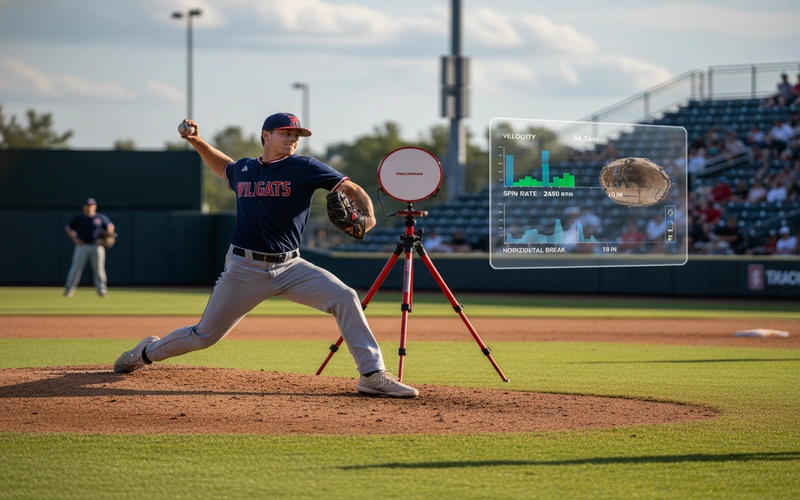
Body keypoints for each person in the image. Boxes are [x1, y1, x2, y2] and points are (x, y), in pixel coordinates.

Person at [113, 113, 418, 398]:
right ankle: (145, 352)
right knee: (203, 336)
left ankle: (371, 374)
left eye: (296, 135)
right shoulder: (244, 169)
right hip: (244, 268)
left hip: (292, 266)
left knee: (346, 296)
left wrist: (368, 216)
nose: (292, 139)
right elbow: (223, 167)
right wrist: (196, 141)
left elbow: (350, 187)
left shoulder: (305, 167)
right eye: (285, 133)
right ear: (266, 135)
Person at [63, 198, 114, 297]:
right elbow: (68, 228)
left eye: (91, 205)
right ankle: (69, 289)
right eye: (87, 205)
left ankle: (101, 289)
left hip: (97, 245)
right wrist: (75, 239)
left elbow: (110, 226)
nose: (89, 207)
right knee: (76, 268)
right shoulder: (79, 218)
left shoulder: (100, 217)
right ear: (84, 207)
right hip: (82, 245)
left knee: (99, 269)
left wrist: (107, 236)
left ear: (95, 207)